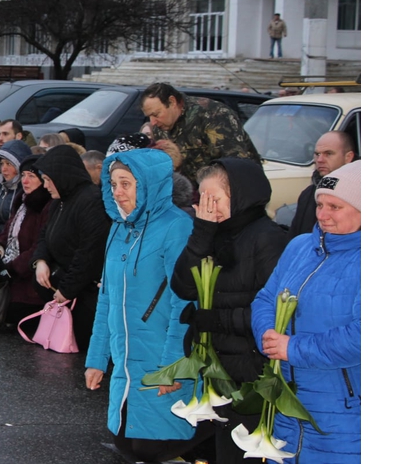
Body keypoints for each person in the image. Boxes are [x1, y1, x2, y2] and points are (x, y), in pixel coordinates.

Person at [169, 158, 289, 464]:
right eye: (203, 199)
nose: (208, 208)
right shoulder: (213, 234)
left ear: (241, 195)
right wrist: (201, 234)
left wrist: (217, 320)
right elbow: (183, 286)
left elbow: (277, 314)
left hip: (252, 372)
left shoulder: (267, 239)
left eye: (216, 199)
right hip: (222, 370)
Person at [84, 148, 197, 463]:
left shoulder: (177, 226)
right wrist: (97, 359)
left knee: (153, 447)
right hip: (125, 363)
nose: (117, 193)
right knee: (126, 444)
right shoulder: (119, 228)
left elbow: (185, 302)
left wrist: (174, 367)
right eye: (113, 184)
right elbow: (106, 298)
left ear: (149, 184)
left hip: (160, 359)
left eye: (126, 184)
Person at [251, 160, 360, 463]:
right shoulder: (301, 246)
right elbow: (265, 298)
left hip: (344, 411)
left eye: (335, 207)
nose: (322, 215)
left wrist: (293, 348)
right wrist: (266, 335)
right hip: (288, 402)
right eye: (320, 204)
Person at [30, 145, 111, 352]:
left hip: (84, 292)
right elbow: (45, 234)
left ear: (62, 176)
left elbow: (89, 253)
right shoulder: (60, 200)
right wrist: (41, 261)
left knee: (80, 347)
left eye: (48, 180)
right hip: (64, 285)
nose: (45, 185)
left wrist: (67, 289)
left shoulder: (91, 201)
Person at [0, 154, 52, 323]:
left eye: (31, 176)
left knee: (7, 314)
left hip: (27, 275)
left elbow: (37, 247)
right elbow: (6, 233)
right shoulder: (22, 201)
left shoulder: (45, 206)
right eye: (23, 175)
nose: (25, 181)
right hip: (11, 264)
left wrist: (9, 269)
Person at [141, 82, 260, 185]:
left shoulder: (214, 115)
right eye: (149, 116)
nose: (153, 122)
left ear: (172, 102)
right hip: (191, 197)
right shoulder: (160, 126)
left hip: (231, 197)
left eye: (156, 114)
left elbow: (235, 166)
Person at [288, 130, 356, 238]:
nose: (320, 160)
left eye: (328, 154)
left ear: (348, 157)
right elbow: (295, 236)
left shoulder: (357, 196)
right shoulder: (308, 194)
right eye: (317, 154)